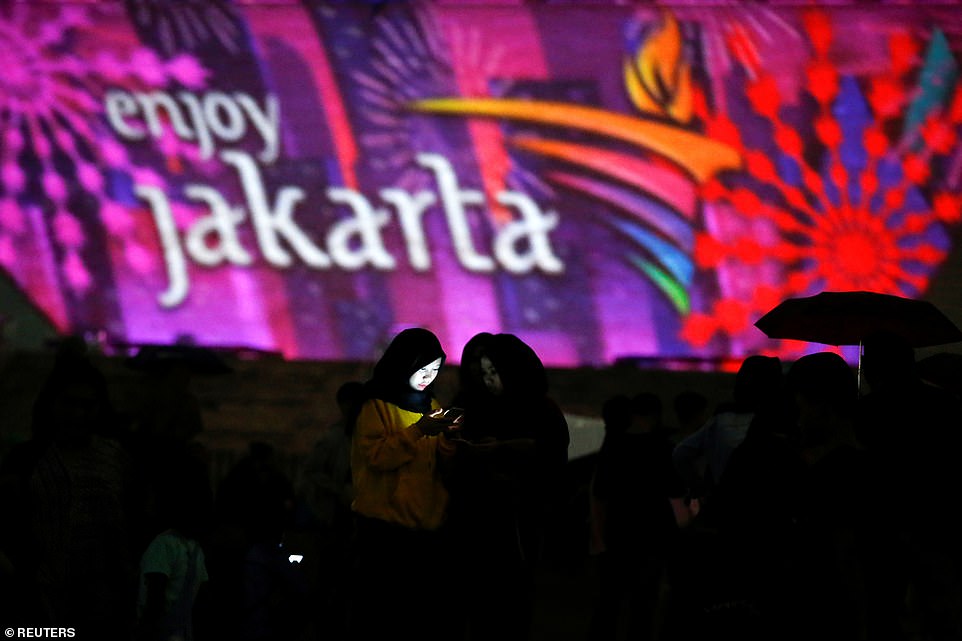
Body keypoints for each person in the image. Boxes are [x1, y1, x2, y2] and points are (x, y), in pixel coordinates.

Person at [445, 331, 571, 641]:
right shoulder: (467, 406)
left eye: (492, 370)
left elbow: (551, 455)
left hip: (517, 522)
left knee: (510, 604)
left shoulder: (541, 410)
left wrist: (501, 451)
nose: (484, 377)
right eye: (480, 368)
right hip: (472, 520)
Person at [346, 327, 460, 641]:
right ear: (403, 364)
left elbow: (436, 464)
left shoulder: (433, 404)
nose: (427, 376)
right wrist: (419, 430)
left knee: (417, 617)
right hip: (385, 528)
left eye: (435, 369)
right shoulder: (376, 407)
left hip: (425, 528)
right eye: (422, 368)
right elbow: (378, 457)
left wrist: (449, 438)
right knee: (381, 614)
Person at [587, 392, 687, 641]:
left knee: (609, 603)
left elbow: (600, 496)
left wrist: (598, 537)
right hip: (652, 536)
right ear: (656, 415)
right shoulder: (665, 449)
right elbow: (676, 495)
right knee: (643, 607)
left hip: (617, 533)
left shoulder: (614, 446)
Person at [672, 355, 783, 505]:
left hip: (723, 508)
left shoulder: (721, 419)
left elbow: (681, 454)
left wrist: (701, 489)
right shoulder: (779, 424)